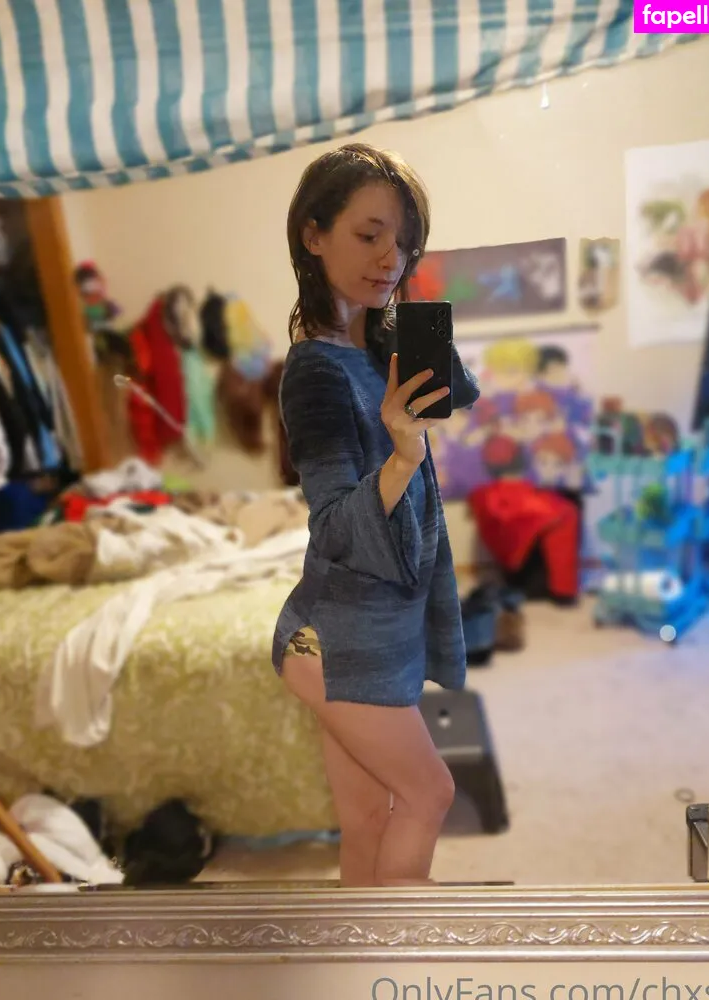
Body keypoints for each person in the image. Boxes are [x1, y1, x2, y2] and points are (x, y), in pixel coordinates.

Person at [271, 142, 480, 888]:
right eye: (369, 235)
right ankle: (399, 948)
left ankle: (357, 948)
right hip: (334, 640)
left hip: (379, 626)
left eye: (404, 242)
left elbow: (460, 396)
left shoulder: (372, 348)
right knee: (430, 793)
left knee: (366, 818)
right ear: (313, 234)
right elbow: (332, 524)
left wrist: (408, 329)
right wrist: (401, 453)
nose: (390, 257)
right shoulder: (314, 372)